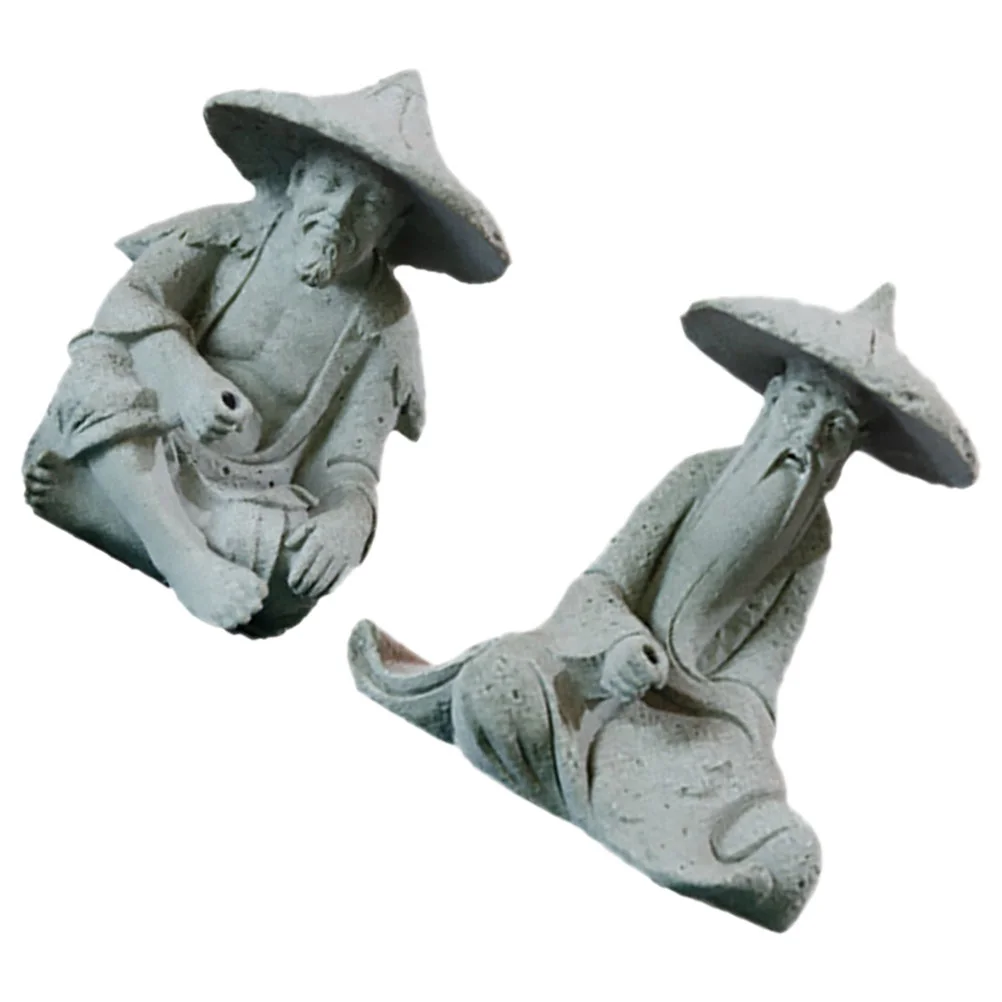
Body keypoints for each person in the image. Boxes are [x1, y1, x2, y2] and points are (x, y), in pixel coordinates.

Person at [349, 284, 978, 930]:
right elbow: (600, 586)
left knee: (789, 855)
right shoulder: (698, 477)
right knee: (497, 685)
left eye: (835, 429)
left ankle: (623, 802)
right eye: (801, 404)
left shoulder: (810, 541)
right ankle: (602, 793)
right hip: (587, 680)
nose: (808, 436)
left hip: (687, 727)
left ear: (845, 456)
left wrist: (713, 720)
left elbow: (758, 681)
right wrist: (620, 645)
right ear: (771, 400)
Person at [24, 71, 509, 637]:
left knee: (295, 579)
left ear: (392, 225)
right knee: (94, 376)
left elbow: (352, 461)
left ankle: (99, 506)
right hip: (153, 428)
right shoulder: (229, 233)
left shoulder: (383, 322)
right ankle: (183, 556)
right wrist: (186, 378)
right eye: (330, 183)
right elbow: (129, 302)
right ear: (299, 178)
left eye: (370, 203)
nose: (340, 212)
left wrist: (350, 520)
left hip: (249, 487)